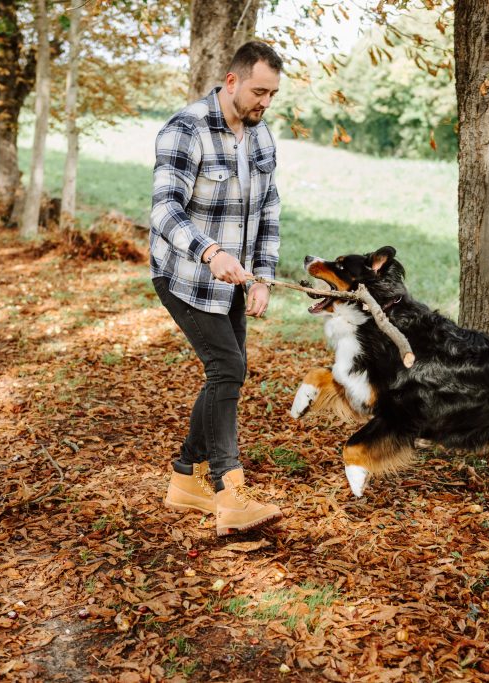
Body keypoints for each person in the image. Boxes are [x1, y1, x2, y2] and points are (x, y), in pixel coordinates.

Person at [150, 41, 284, 536]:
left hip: (234, 282)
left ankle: (186, 478)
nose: (264, 102)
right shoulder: (186, 129)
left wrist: (262, 275)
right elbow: (165, 210)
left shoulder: (261, 135)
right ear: (232, 81)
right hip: (185, 275)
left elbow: (269, 210)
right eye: (258, 92)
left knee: (227, 373)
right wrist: (210, 253)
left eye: (272, 94)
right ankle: (230, 494)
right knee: (227, 367)